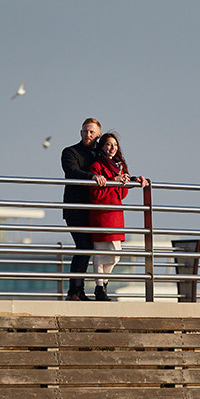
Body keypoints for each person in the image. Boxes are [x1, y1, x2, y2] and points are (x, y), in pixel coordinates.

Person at [87, 132, 149, 301]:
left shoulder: (119, 166)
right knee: (100, 254)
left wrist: (131, 180)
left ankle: (102, 285)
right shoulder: (96, 166)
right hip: (101, 214)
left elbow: (121, 194)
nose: (112, 148)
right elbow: (95, 195)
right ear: (101, 147)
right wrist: (113, 179)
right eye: (108, 144)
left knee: (115, 254)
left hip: (115, 215)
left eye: (114, 145)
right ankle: (100, 288)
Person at [61, 118, 108, 301]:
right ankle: (74, 292)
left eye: (91, 132)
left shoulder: (100, 154)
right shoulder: (70, 152)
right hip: (75, 208)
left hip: (93, 209)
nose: (87, 135)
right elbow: (71, 171)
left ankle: (81, 291)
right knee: (84, 246)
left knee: (90, 248)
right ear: (80, 133)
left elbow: (113, 171)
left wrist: (134, 178)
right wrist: (93, 176)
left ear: (98, 135)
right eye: (85, 131)